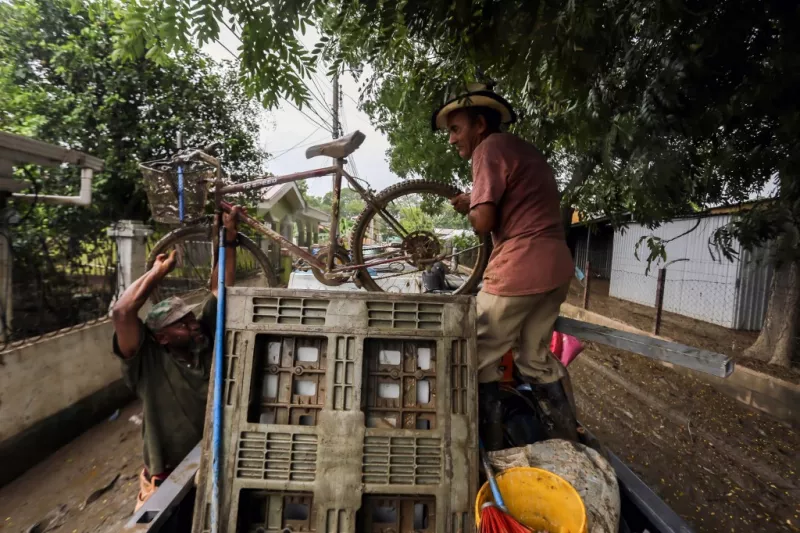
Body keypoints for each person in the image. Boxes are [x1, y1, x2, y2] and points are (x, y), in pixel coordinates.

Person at [431, 84, 578, 448]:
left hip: (520, 264)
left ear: (479, 124)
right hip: (556, 266)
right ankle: (566, 444)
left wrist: (473, 209)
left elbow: (483, 221)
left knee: (476, 353)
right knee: (535, 358)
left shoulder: (488, 148)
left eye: (455, 129)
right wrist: (475, 200)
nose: (452, 140)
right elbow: (512, 200)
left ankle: (492, 450)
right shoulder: (521, 150)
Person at [111, 206, 243, 511]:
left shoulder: (206, 341)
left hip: (213, 464)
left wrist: (229, 239)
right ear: (161, 337)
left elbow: (219, 289)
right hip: (167, 478)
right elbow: (121, 312)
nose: (191, 323)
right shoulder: (148, 364)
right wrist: (156, 273)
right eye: (180, 323)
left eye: (189, 316)